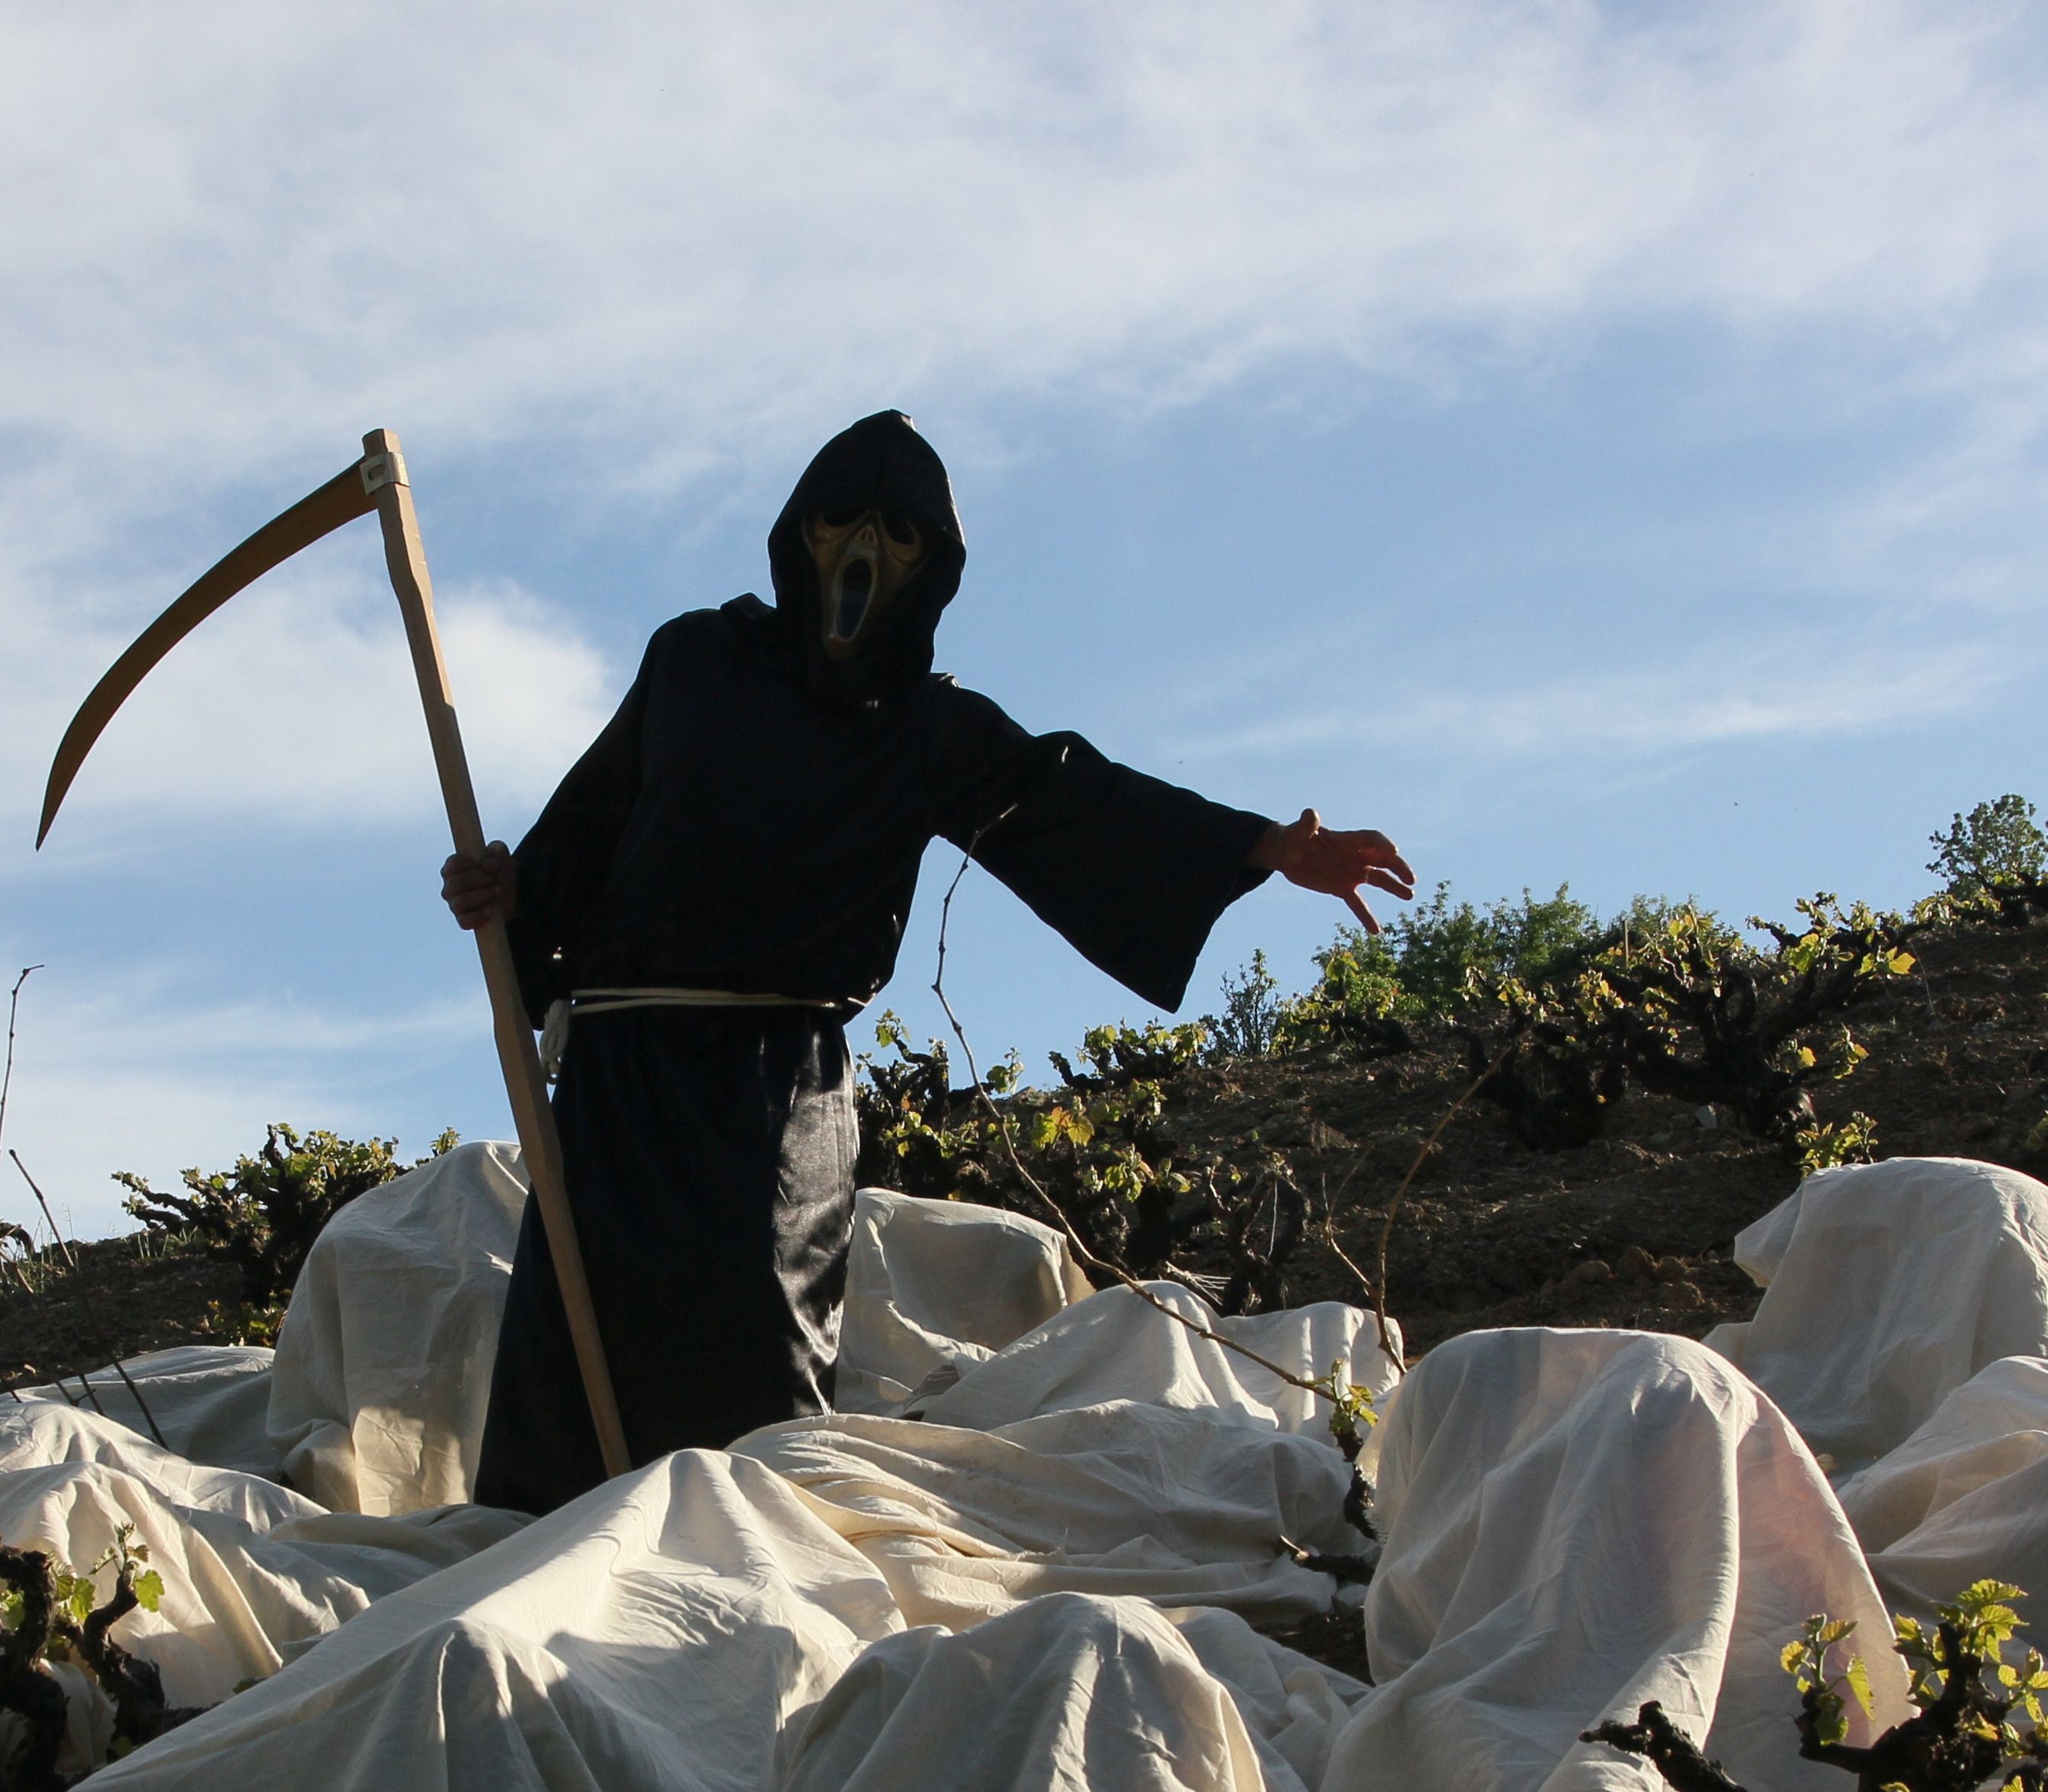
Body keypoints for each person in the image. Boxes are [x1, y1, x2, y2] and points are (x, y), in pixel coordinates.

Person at [442, 409, 1413, 1514]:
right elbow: (590, 826)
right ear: (798, 532)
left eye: (898, 533)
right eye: (842, 521)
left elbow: (1071, 802)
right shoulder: (697, 659)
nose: (863, 553)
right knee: (571, 1357)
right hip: (621, 1078)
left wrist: (1262, 845)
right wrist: (514, 899)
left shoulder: (928, 730)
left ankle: (725, 1618)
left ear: (932, 567)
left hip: (778, 1091)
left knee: (750, 1360)